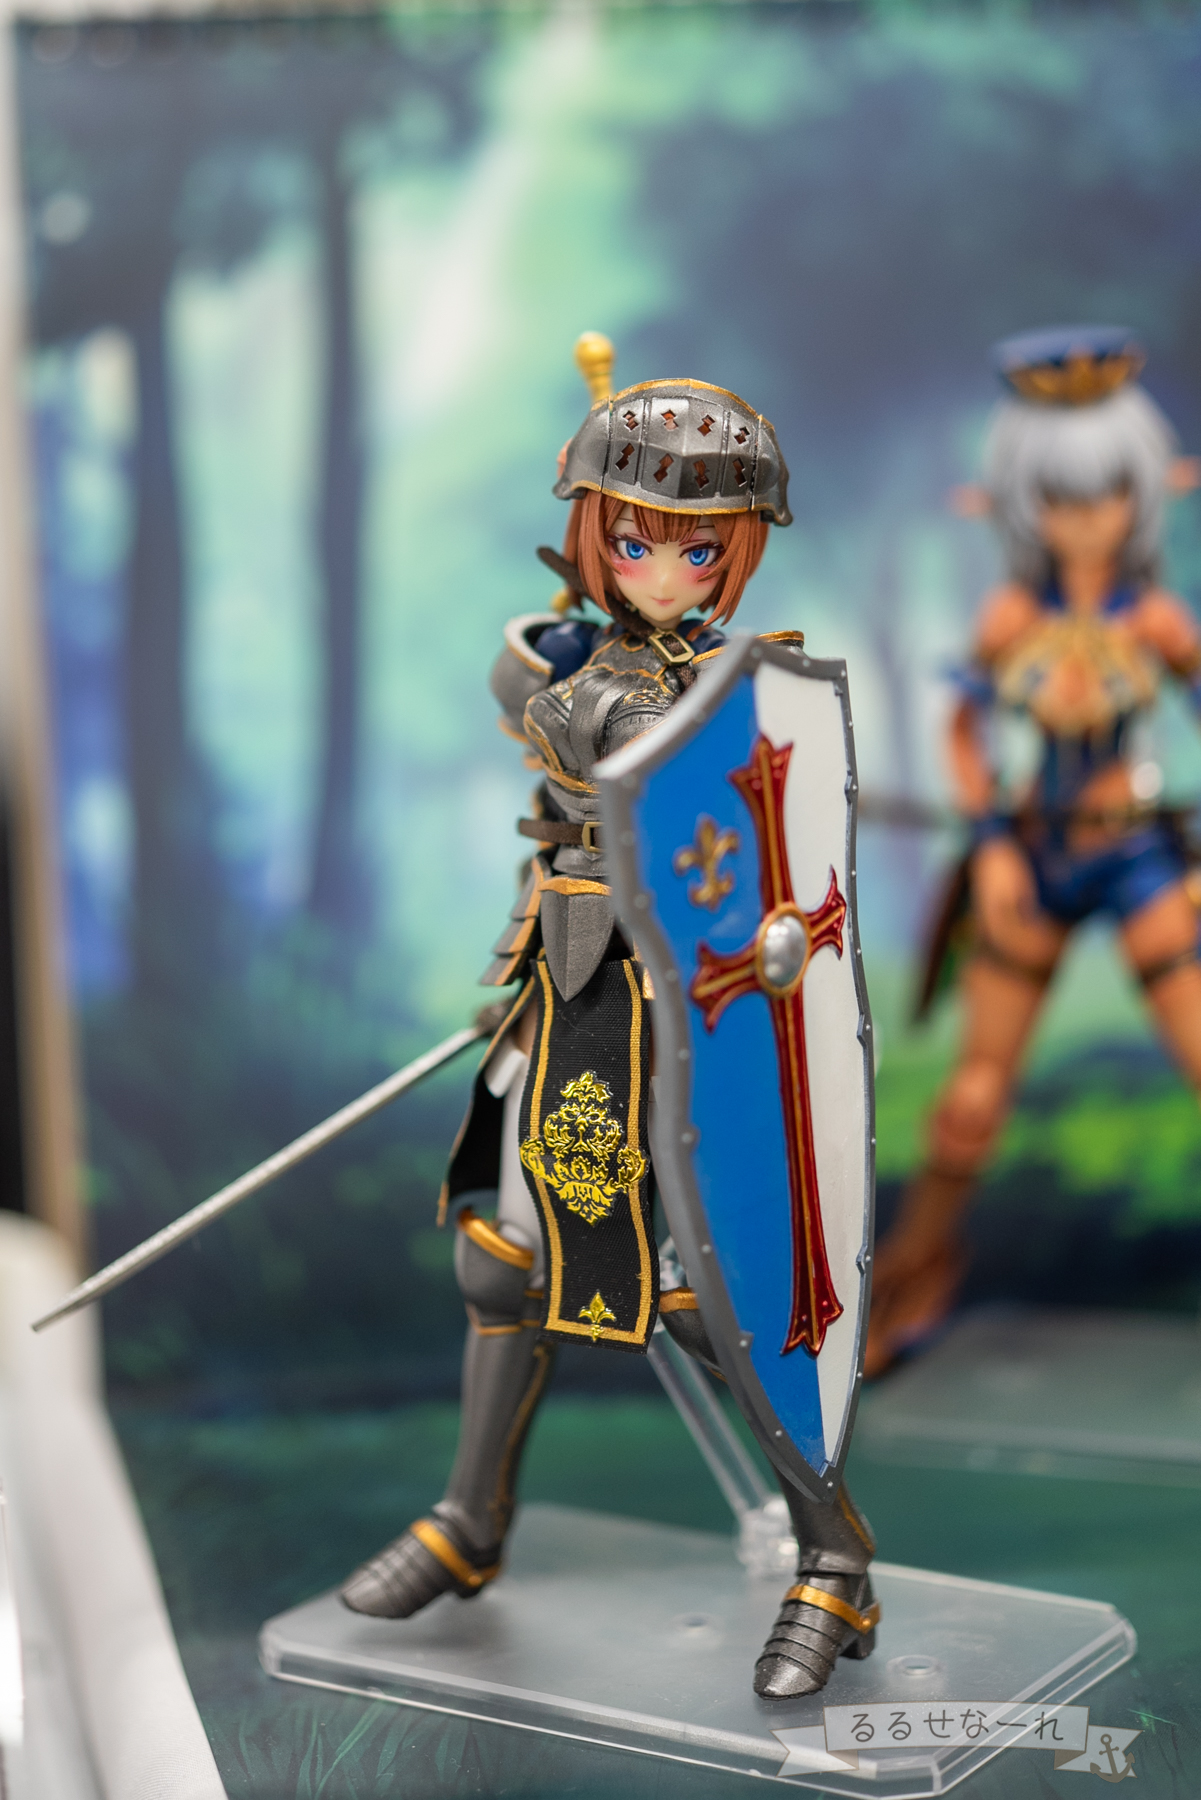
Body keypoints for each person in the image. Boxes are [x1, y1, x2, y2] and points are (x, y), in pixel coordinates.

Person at [340, 374, 879, 1698]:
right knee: (499, 1265)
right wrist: (570, 643)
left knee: (714, 1302)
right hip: (567, 986)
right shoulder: (580, 660)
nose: (662, 571)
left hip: (687, 1013)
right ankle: (469, 1524)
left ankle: (835, 1559)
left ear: (736, 556)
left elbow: (748, 854)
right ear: (590, 534)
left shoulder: (739, 698)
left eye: (697, 550)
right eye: (631, 541)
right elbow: (528, 722)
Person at [867, 326, 1201, 1379]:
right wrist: (994, 848)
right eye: (1060, 498)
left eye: (1107, 494)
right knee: (971, 1102)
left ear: (1143, 493)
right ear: (1022, 503)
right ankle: (910, 1276)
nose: (1086, 518)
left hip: (1135, 853)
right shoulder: (1010, 616)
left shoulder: (1157, 620)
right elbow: (963, 732)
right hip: (1034, 858)